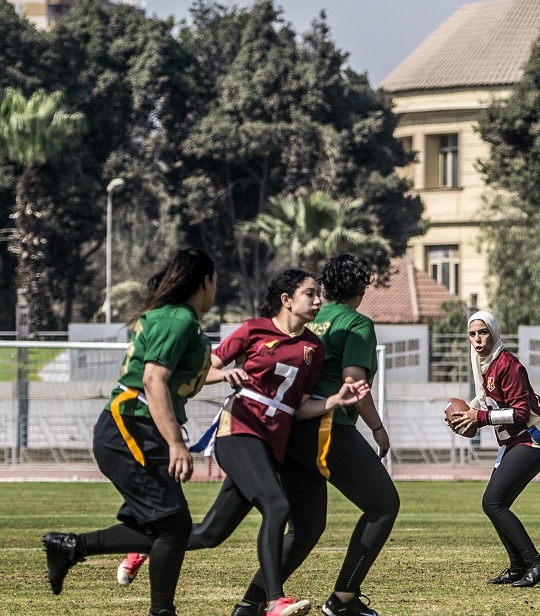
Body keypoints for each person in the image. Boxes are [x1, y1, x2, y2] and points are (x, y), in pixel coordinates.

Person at [115, 269, 370, 616]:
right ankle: (274, 601)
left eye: (318, 294)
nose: (317, 301)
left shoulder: (314, 347)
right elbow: (200, 372)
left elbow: (298, 408)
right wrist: (224, 373)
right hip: (238, 430)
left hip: (270, 443)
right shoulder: (253, 329)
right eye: (310, 294)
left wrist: (335, 401)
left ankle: (147, 543)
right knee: (277, 506)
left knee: (210, 534)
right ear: (286, 300)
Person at [42, 248, 217, 616]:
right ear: (205, 281)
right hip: (133, 427)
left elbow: (172, 376)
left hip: (132, 427)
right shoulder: (179, 319)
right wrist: (176, 443)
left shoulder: (174, 317)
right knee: (174, 527)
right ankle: (160, 611)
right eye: (215, 280)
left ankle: (70, 548)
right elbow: (153, 380)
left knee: (166, 526)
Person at [231, 253, 398, 616]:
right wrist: (378, 429)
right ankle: (344, 599)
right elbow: (354, 382)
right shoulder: (356, 323)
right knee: (384, 504)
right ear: (363, 288)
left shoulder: (310, 316)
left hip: (285, 428)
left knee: (307, 526)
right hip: (324, 425)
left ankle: (251, 603)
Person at [448, 311, 540, 588]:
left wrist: (478, 418)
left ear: (494, 332)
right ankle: (517, 566)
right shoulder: (481, 361)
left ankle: (536, 563)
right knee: (495, 504)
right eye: (472, 333)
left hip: (534, 438)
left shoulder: (507, 364)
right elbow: (483, 400)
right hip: (515, 441)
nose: (477, 339)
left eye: (483, 332)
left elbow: (521, 413)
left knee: (493, 502)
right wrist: (465, 414)